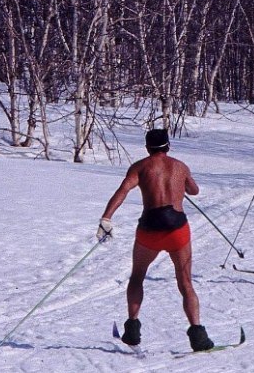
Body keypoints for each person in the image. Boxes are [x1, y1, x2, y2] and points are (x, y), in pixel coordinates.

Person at [99, 128, 214, 352]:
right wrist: (182, 185)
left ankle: (132, 329)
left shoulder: (140, 167)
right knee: (185, 283)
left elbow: (122, 191)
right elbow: (195, 190)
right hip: (177, 230)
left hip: (149, 230)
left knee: (137, 277)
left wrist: (106, 218)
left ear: (147, 148)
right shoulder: (180, 166)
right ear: (168, 146)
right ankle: (198, 335)